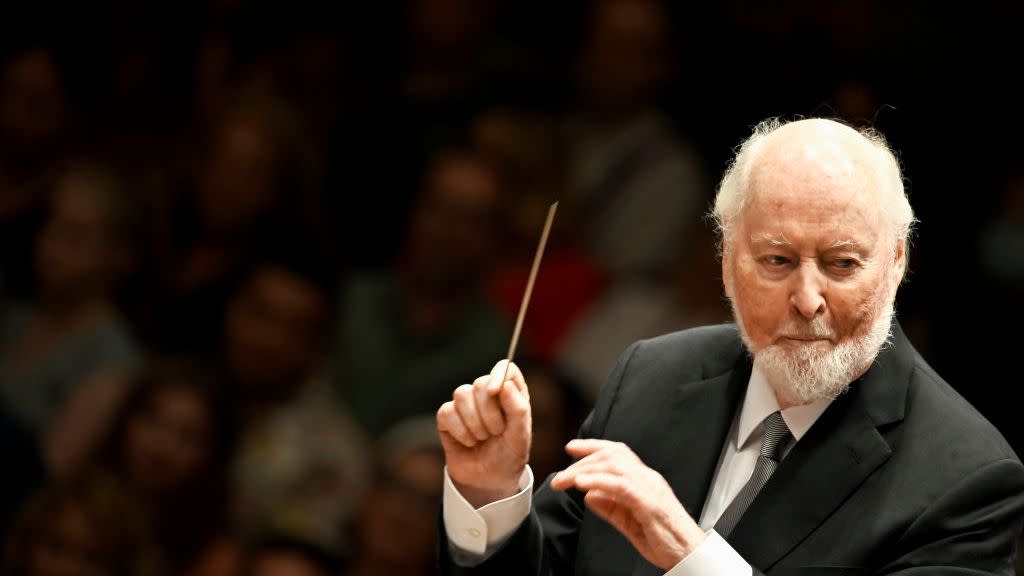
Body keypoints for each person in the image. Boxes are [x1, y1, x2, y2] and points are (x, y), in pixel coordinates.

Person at [435, 117, 1024, 574]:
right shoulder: (651, 377)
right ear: (726, 261)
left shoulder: (968, 479)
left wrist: (690, 555)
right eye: (776, 260)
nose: (808, 299)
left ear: (897, 263)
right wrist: (490, 494)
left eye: (842, 264)